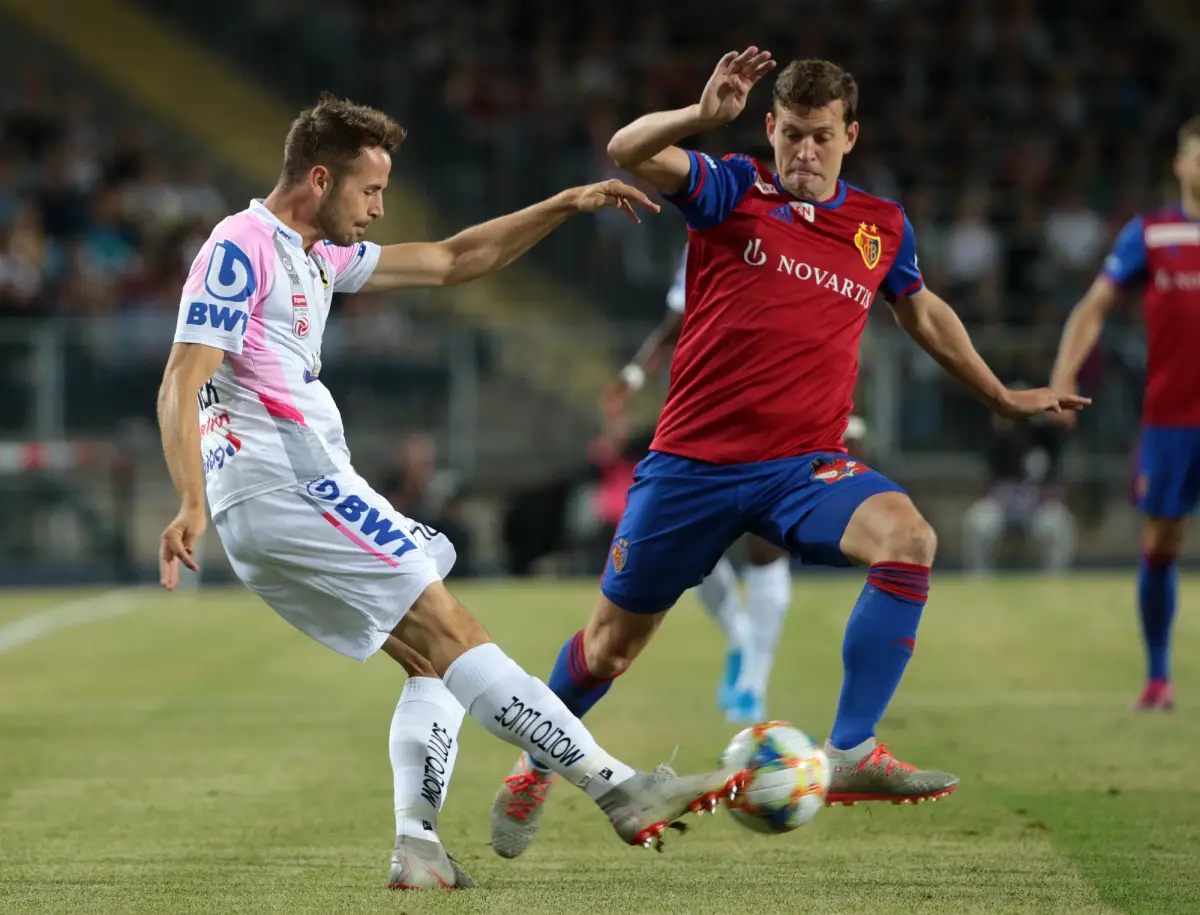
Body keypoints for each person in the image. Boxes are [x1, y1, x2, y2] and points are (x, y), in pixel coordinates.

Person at [490, 50, 1086, 860]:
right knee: (609, 648)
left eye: (822, 137)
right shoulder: (732, 188)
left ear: (850, 137)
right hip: (692, 466)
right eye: (793, 134)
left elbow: (922, 311)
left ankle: (852, 749)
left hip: (802, 467)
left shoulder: (880, 226)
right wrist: (702, 116)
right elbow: (627, 150)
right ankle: (535, 763)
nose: (805, 151)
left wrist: (1000, 395)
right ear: (770, 129)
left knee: (909, 536)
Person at [156, 93, 747, 891]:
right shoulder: (243, 244)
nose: (378, 208)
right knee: (456, 629)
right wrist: (188, 500)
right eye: (370, 190)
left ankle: (418, 845)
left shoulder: (317, 254)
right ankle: (620, 787)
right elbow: (181, 376)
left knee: (430, 660)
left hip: (281, 499)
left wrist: (563, 204)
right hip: (288, 486)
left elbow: (451, 259)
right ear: (320, 178)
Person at [604, 243, 793, 724]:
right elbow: (675, 321)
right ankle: (740, 635)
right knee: (684, 546)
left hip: (777, 411)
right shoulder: (707, 238)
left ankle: (754, 682)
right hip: (701, 415)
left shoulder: (801, 239)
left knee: (766, 543)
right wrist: (635, 373)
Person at [1050, 115, 1200, 713]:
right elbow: (1093, 308)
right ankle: (1158, 677)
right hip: (1171, 419)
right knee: (1162, 539)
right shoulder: (1153, 233)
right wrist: (1064, 375)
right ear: (1180, 164)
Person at [961, 399, 1076, 574]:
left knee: (1059, 523)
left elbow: (1057, 486)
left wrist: (1046, 495)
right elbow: (987, 484)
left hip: (1036, 507)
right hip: (1003, 507)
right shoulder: (997, 442)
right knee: (978, 522)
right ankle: (978, 578)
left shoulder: (1047, 440)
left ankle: (1055, 580)